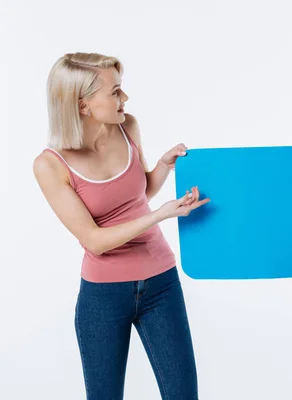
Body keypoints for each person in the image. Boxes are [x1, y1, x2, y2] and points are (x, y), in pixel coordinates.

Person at [33, 52, 209, 399]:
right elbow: (94, 240)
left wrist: (162, 165)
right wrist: (160, 215)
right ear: (83, 105)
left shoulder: (126, 127)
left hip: (161, 284)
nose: (124, 98)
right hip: (103, 296)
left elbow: (139, 191)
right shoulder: (50, 165)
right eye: (115, 91)